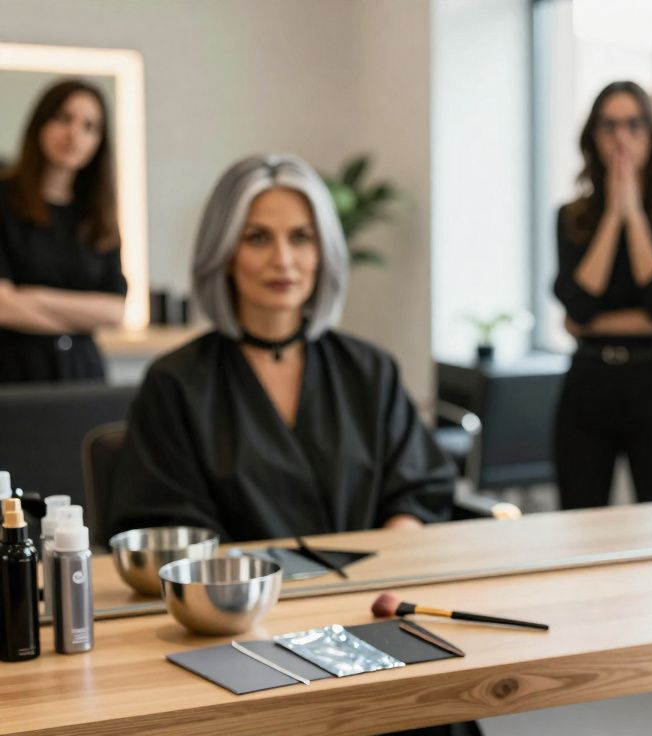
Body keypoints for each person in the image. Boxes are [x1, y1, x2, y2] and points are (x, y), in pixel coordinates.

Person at [108, 154, 455, 543]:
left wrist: (390, 549)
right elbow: (167, 523)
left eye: (301, 238)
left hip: (372, 593)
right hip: (236, 597)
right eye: (257, 238)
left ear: (322, 253)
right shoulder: (175, 383)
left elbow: (418, 489)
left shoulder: (371, 370)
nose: (283, 260)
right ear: (224, 254)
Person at [552, 81, 652, 509]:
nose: (622, 137)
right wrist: (613, 216)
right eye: (609, 126)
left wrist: (633, 212)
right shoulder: (571, 217)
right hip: (588, 382)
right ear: (593, 137)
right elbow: (579, 307)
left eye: (634, 125)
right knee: (579, 522)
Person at [0, 79, 126, 381]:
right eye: (64, 119)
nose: (74, 135)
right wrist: (82, 317)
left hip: (83, 373)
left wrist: (33, 297)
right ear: (41, 123)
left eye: (90, 126)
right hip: (13, 374)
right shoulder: (4, 199)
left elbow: (114, 311)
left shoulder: (97, 214)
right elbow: (2, 306)